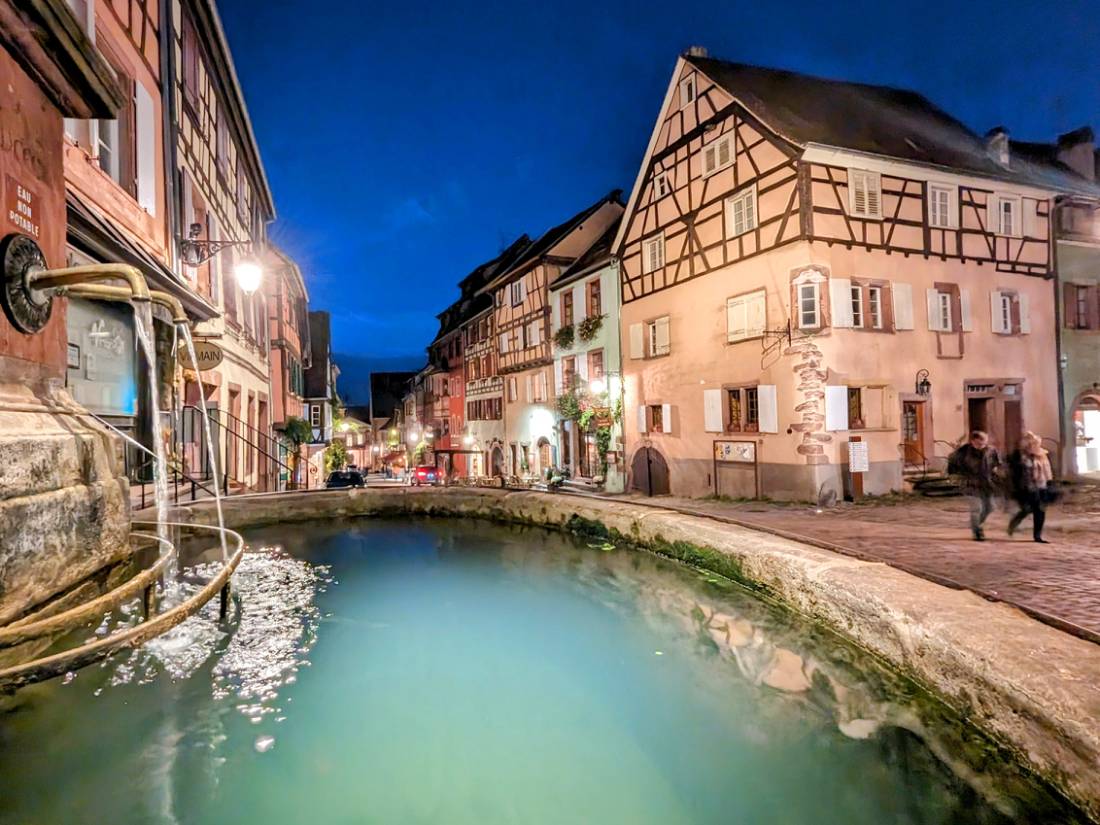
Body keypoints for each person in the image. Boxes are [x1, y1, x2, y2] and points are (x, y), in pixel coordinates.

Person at [947, 430, 1002, 541]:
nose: (983, 444)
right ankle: (977, 532)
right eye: (980, 442)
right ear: (973, 441)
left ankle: (977, 524)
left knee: (990, 507)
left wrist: (998, 472)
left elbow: (997, 463)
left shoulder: (991, 450)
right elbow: (952, 462)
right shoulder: (964, 451)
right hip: (970, 483)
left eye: (985, 441)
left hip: (987, 483)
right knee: (976, 508)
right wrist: (954, 476)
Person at [1007, 432, 1054, 543]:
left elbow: (1047, 470)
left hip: (1040, 485)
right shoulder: (1019, 455)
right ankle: (1014, 522)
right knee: (1028, 509)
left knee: (1040, 510)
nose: (1036, 445)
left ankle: (1037, 536)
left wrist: (1049, 483)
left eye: (1037, 443)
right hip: (1025, 487)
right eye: (1033, 443)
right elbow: (1015, 473)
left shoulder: (1042, 454)